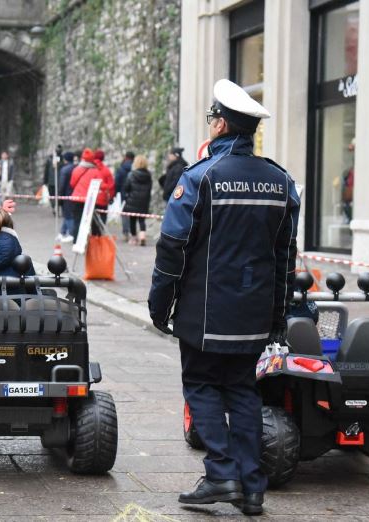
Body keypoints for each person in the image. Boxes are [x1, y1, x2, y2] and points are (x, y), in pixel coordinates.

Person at [148, 79, 300, 516]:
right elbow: (284, 257)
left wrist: (160, 306)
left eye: (212, 117)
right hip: (253, 314)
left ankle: (220, 475)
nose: (210, 123)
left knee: (201, 385)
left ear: (220, 126)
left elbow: (172, 247)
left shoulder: (201, 177)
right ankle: (253, 487)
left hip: (206, 311)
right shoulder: (280, 181)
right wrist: (278, 317)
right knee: (243, 393)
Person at [70, 148, 115, 241]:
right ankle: (86, 240)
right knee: (87, 222)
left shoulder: (76, 169)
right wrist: (107, 187)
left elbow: (72, 184)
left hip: (76, 198)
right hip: (88, 200)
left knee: (77, 220)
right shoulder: (95, 171)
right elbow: (101, 185)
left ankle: (76, 240)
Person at [122, 154, 152, 246]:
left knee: (132, 220)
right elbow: (149, 188)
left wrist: (127, 196)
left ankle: (134, 238)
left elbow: (126, 187)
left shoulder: (131, 174)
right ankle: (142, 235)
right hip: (144, 201)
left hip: (132, 201)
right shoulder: (148, 175)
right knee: (142, 220)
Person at [114, 151, 135, 241]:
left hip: (124, 193)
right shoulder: (135, 168)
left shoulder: (121, 168)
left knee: (125, 213)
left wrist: (116, 192)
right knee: (133, 213)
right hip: (134, 194)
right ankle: (133, 232)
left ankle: (126, 232)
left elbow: (117, 182)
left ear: (126, 157)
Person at [58, 151, 76, 242]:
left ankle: (71, 233)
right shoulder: (77, 168)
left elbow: (62, 184)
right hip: (75, 194)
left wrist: (60, 196)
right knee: (67, 214)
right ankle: (63, 232)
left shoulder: (64, 170)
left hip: (66, 194)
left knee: (68, 215)